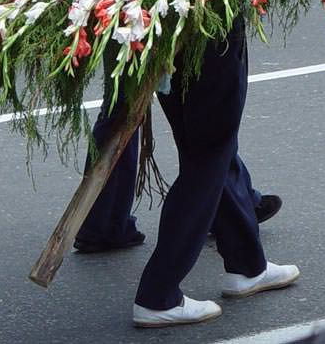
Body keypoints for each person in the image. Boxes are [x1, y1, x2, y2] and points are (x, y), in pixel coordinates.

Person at [76, 17, 297, 328]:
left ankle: (248, 265)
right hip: (203, 16)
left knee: (209, 146)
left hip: (161, 23)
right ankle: (158, 294)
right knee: (208, 152)